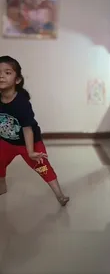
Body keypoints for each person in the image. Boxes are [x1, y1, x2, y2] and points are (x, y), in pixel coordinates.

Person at [0, 55, 69, 206]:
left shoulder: (21, 103)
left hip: (28, 141)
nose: (1, 76)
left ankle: (60, 195)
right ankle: (2, 186)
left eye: (7, 72)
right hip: (6, 141)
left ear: (17, 80)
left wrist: (31, 152)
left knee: (42, 166)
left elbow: (27, 128)